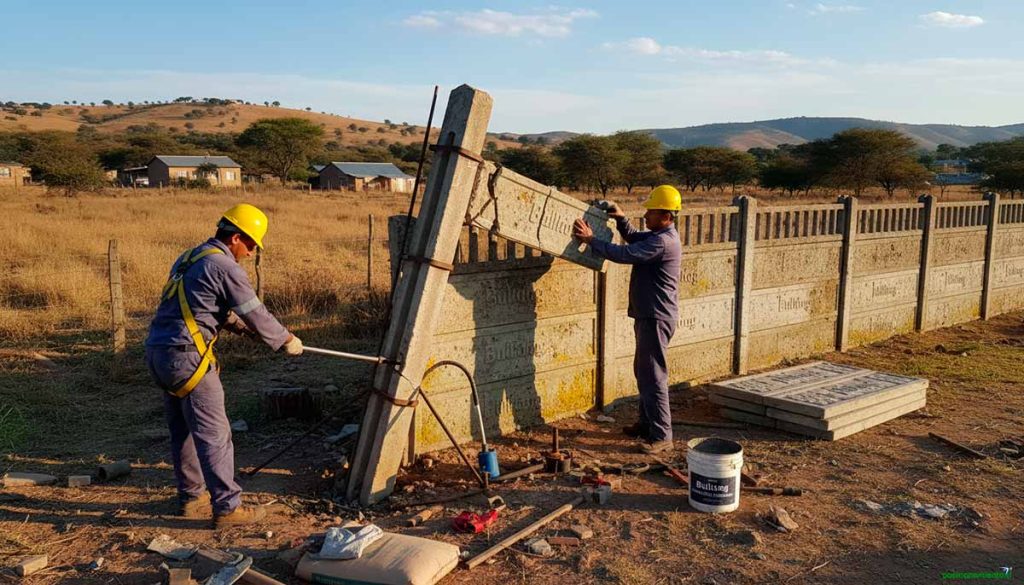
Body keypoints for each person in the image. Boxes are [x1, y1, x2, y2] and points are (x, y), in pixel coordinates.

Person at [145, 203, 304, 528]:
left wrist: (251, 334)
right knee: (215, 435)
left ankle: (192, 498)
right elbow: (254, 311)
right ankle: (228, 508)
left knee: (184, 431)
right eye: (250, 245)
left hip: (162, 354)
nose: (250, 253)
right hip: (190, 357)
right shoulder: (225, 266)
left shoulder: (191, 257)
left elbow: (210, 309)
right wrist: (285, 339)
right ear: (234, 238)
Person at [572, 186, 682, 454]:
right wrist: (621, 218)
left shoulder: (662, 242)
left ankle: (661, 435)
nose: (646, 215)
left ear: (666, 216)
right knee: (644, 372)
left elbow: (624, 254)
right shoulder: (659, 234)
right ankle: (647, 425)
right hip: (650, 315)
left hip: (656, 317)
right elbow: (633, 238)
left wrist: (591, 239)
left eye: (651, 211)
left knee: (654, 375)